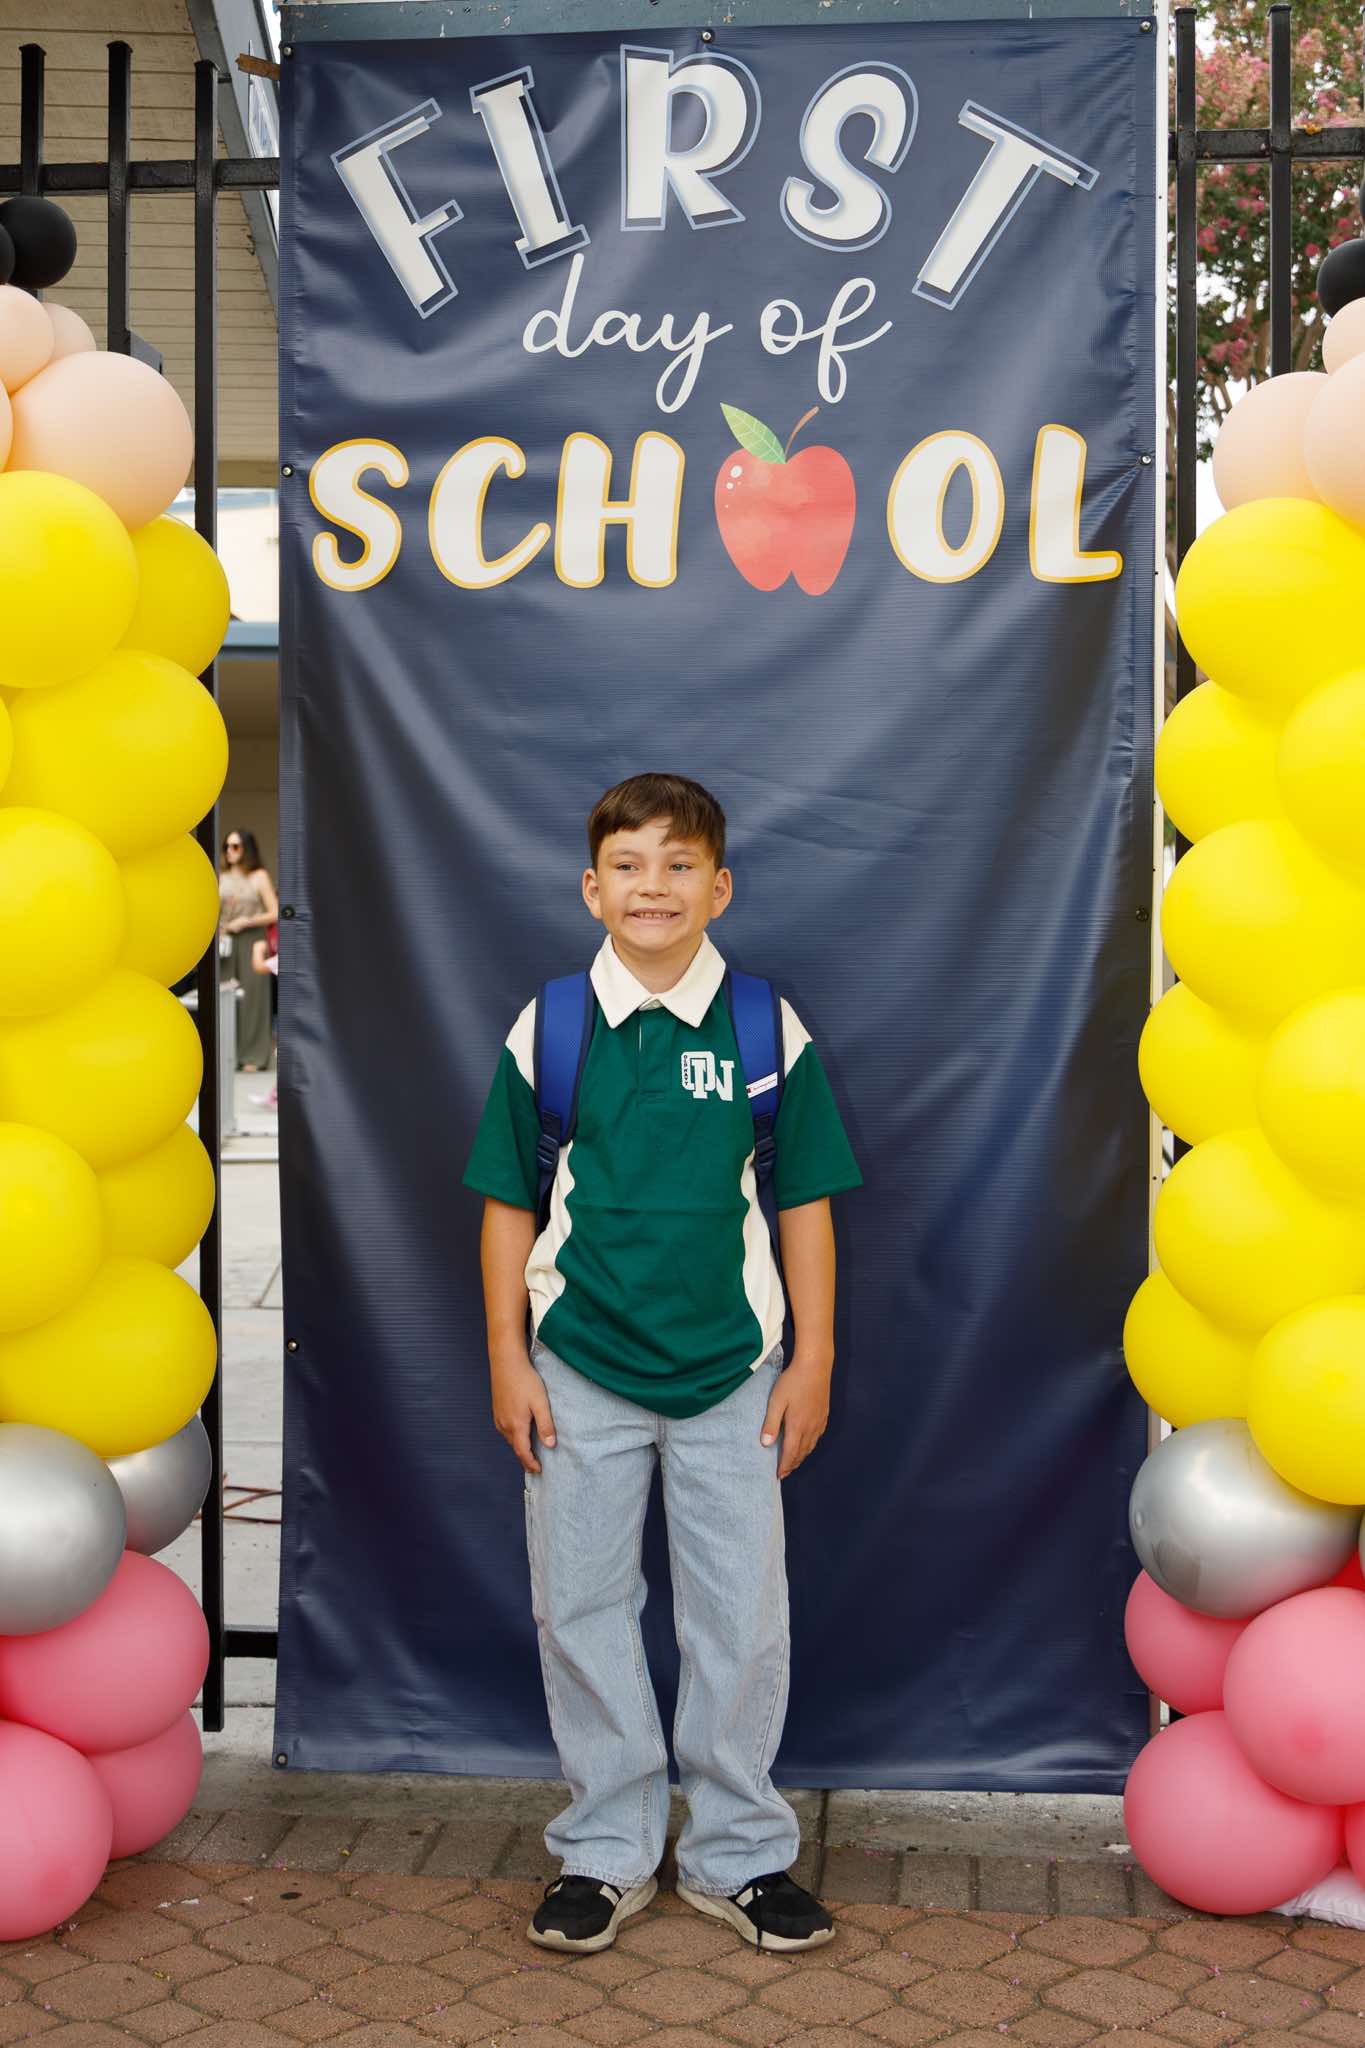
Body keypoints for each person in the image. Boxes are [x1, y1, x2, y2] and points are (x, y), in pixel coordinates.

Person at [463, 772, 861, 1957]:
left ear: (719, 886)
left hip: (735, 1372)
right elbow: (506, 1203)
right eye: (629, 865)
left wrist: (813, 1357)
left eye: (680, 864)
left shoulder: (764, 1025)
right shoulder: (552, 1025)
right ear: (591, 887)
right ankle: (605, 1848)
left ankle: (739, 1852)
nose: (654, 886)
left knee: (740, 1616)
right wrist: (508, 1355)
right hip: (577, 1365)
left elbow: (806, 1202)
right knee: (582, 1607)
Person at [218, 828, 278, 1073]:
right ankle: (226, 1054)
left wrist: (248, 921)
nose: (230, 851)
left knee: (253, 997)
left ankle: (253, 1055)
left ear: (246, 849)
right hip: (225, 940)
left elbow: (275, 912)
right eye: (227, 846)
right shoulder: (221, 876)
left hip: (251, 938)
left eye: (235, 846)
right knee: (225, 994)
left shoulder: (258, 876)